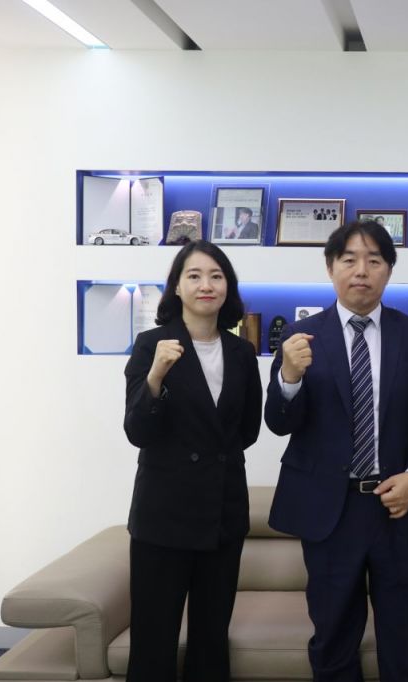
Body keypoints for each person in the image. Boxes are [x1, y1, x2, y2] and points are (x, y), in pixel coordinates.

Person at [266, 220, 408, 681]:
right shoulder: (300, 337)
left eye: (374, 260)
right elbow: (279, 422)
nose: (361, 270)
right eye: (349, 260)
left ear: (389, 269)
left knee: (404, 639)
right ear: (331, 268)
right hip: (330, 510)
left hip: (398, 506)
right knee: (333, 638)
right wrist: (289, 377)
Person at [123, 240, 263, 681]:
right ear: (177, 287)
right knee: (153, 639)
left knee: (210, 637)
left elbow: (248, 430)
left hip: (222, 513)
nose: (207, 285)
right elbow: (137, 431)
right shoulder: (151, 345)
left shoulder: (242, 352)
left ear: (228, 288)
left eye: (216, 276)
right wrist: (156, 377)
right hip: (163, 516)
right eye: (195, 276)